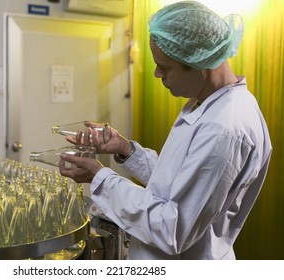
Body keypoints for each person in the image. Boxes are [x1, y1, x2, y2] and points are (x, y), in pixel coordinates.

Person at [59, 1, 272, 260]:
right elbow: (178, 184)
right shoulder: (207, 102)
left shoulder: (223, 129)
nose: (157, 74)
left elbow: (172, 229)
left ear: (200, 61)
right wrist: (127, 150)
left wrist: (100, 178)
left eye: (166, 66)